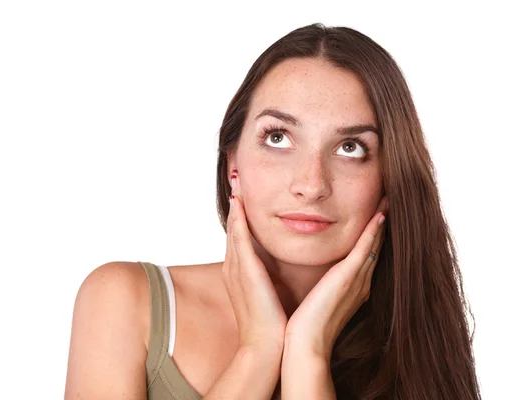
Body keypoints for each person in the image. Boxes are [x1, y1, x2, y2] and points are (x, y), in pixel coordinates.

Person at [64, 23, 482, 399]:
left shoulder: (421, 342)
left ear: (389, 178)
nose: (311, 184)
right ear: (233, 165)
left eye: (350, 148)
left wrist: (307, 353)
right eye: (279, 137)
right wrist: (259, 349)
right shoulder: (126, 301)